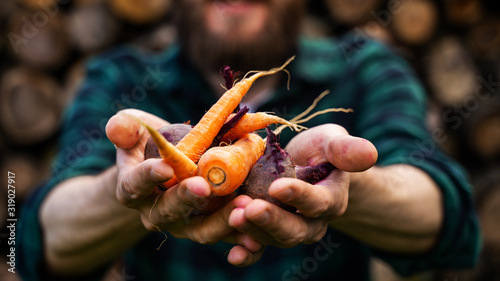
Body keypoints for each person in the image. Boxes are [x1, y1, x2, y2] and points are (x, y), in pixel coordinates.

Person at [18, 0, 480, 280]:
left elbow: (448, 218)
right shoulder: (121, 78)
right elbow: (40, 241)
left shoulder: (366, 70)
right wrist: (124, 190)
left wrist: (348, 187)